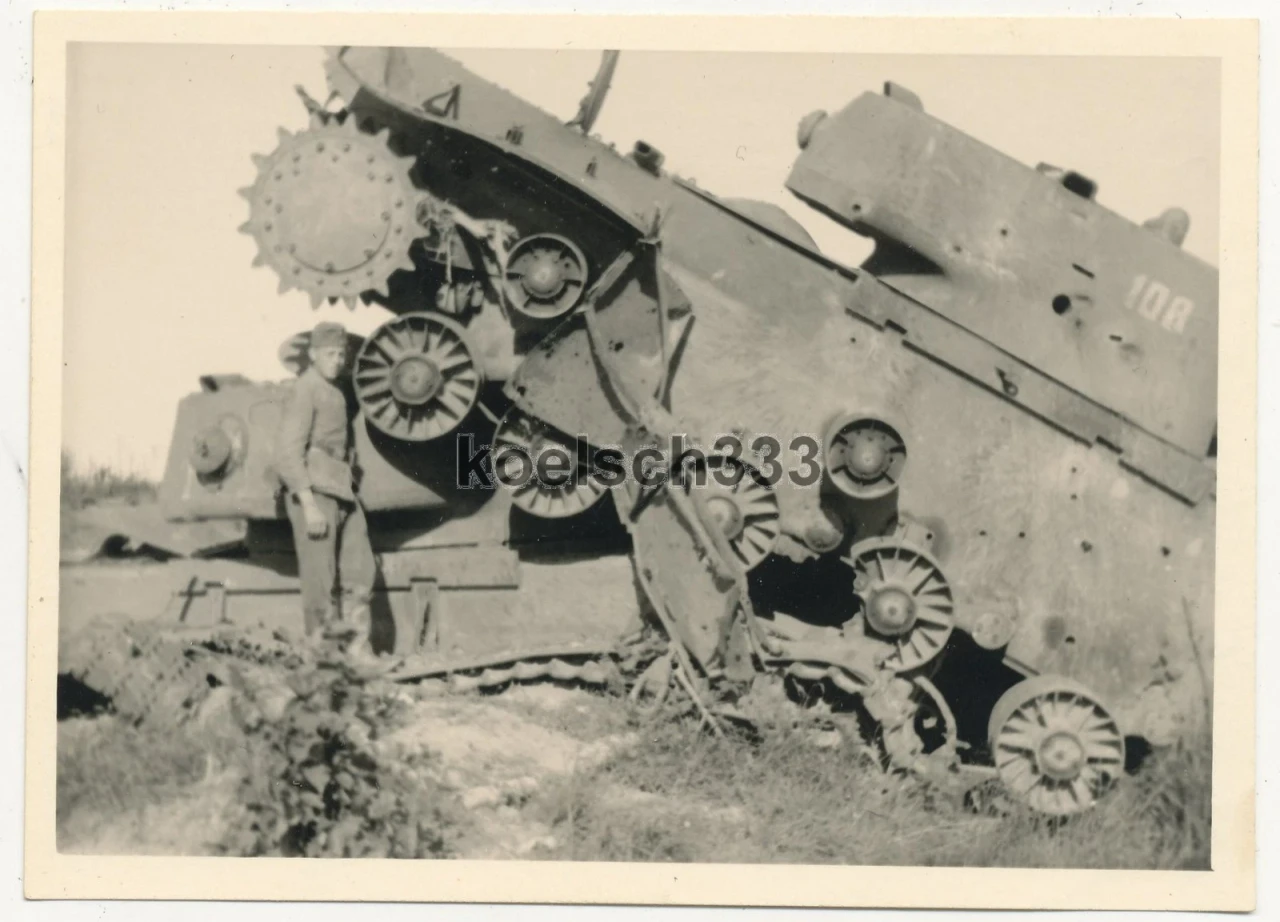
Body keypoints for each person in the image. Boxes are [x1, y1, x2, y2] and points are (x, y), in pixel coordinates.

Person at [275, 320, 377, 661]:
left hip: (343, 489)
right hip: (316, 491)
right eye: (330, 354)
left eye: (341, 354)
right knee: (320, 585)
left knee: (359, 572)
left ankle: (358, 654)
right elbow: (288, 451)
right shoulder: (306, 388)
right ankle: (324, 663)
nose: (337, 360)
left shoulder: (335, 391)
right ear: (314, 354)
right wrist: (308, 504)